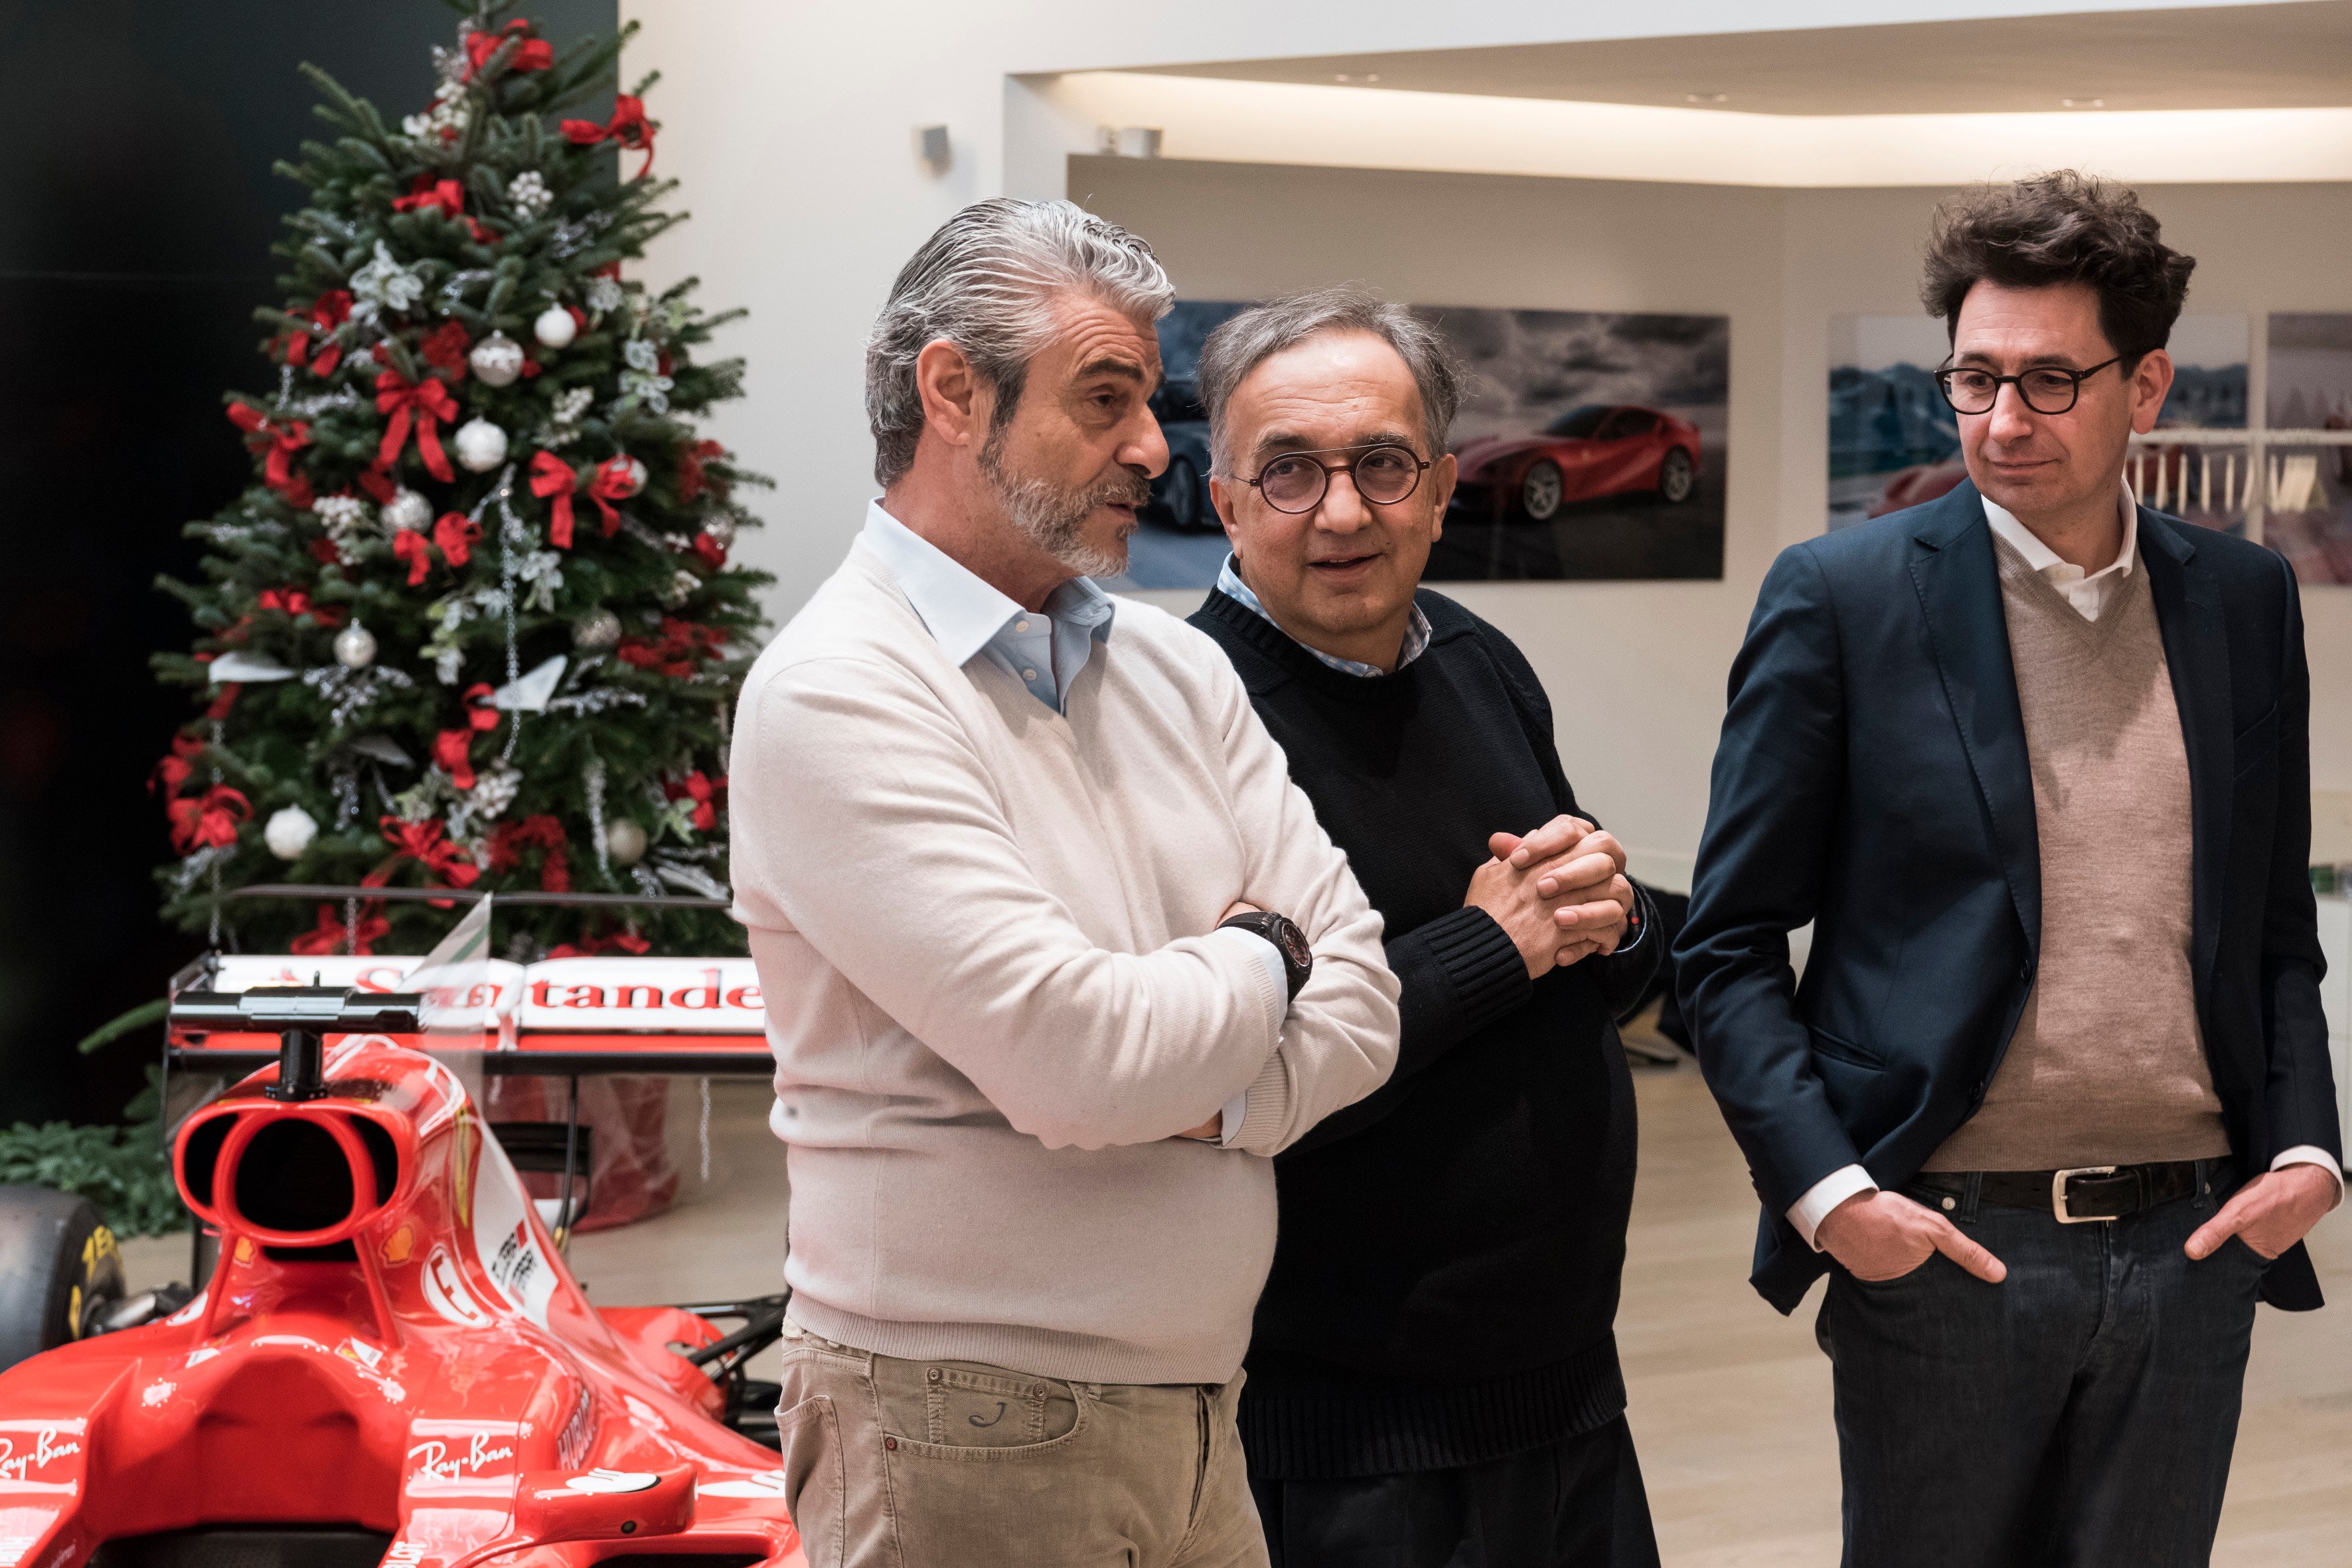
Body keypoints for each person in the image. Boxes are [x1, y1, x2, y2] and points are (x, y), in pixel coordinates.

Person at [1677, 171, 2341, 1565]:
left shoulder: (2237, 598)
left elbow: (2271, 924)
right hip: (1946, 1244)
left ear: (2143, 384)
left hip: (2193, 1242)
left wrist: (2302, 1151)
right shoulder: (1839, 596)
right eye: (1971, 378)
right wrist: (1831, 1195)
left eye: (2047, 382)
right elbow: (1726, 945)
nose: (1998, 421)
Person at [728, 201, 1402, 1568]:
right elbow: (1078, 1059)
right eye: (1104, 400)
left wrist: (1172, 1083)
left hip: (1204, 1410)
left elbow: (1368, 1006)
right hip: (952, 1422)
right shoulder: (836, 690)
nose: (1151, 448)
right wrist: (1264, 958)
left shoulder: (1176, 668)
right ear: (951, 392)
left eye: (1146, 402)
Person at [1184, 286, 1664, 1568]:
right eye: (1289, 471)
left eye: (1382, 466)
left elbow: (1575, 978)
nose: (1342, 511)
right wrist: (1490, 947)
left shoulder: (1478, 657)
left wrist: (1609, 920)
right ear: (1224, 499)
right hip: (1347, 1441)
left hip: (1567, 1390)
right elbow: (1229, 1082)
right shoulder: (1182, 721)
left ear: (1444, 489)